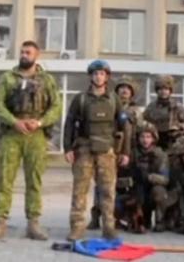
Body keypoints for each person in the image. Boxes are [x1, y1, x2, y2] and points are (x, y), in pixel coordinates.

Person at [0, 41, 62, 242]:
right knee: (5, 179)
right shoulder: (8, 78)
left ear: (37, 55)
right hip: (12, 134)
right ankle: (0, 222)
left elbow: (56, 107)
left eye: (28, 52)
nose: (24, 55)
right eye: (21, 52)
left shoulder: (47, 80)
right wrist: (14, 121)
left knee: (34, 180)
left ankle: (33, 223)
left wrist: (39, 122)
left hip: (35, 135)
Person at [64, 60, 131, 241]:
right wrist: (67, 148)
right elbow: (69, 123)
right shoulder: (81, 99)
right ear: (90, 76)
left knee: (108, 191)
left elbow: (125, 127)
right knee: (80, 189)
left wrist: (125, 152)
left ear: (106, 77)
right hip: (84, 149)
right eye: (95, 73)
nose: (98, 77)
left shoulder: (114, 99)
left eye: (101, 73)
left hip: (107, 151)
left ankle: (109, 227)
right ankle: (77, 227)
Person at [87, 75, 140, 230]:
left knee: (125, 187)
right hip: (108, 150)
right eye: (121, 88)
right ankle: (96, 216)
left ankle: (122, 217)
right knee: (101, 185)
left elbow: (141, 130)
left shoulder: (136, 110)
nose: (124, 91)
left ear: (132, 93)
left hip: (127, 152)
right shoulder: (108, 104)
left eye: (128, 89)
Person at [123, 122, 169, 232]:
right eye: (142, 136)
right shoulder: (132, 154)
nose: (145, 140)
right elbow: (122, 175)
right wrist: (130, 180)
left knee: (159, 192)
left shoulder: (160, 155)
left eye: (148, 137)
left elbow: (165, 179)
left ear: (154, 138)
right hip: (136, 190)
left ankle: (160, 221)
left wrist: (149, 177)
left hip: (152, 190)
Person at [143, 75, 184, 151]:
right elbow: (144, 122)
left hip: (172, 140)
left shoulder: (177, 106)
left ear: (170, 91)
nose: (163, 92)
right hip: (155, 141)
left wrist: (179, 127)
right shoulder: (151, 107)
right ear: (157, 91)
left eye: (166, 89)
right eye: (160, 89)